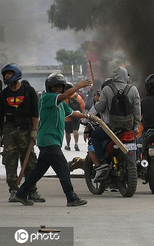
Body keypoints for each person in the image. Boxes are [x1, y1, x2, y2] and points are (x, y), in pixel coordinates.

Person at [12, 73, 93, 206]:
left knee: (38, 171)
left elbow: (72, 114)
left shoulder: (61, 103)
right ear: (49, 88)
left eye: (60, 86)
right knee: (63, 168)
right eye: (55, 87)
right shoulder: (47, 98)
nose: (58, 89)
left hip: (52, 141)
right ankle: (71, 197)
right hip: (48, 140)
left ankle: (21, 194)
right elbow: (64, 96)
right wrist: (79, 86)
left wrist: (88, 116)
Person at [0, 63, 45, 203]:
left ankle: (32, 191)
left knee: (30, 161)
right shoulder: (3, 94)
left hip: (26, 131)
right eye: (5, 74)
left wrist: (35, 130)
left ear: (16, 74)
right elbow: (0, 116)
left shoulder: (28, 91)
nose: (7, 76)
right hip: (9, 130)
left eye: (9, 73)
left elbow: (35, 112)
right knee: (9, 160)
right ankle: (13, 190)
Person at [91, 66, 141, 180]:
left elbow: (100, 107)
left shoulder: (107, 89)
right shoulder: (133, 89)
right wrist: (136, 126)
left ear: (115, 76)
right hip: (129, 126)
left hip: (112, 128)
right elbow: (137, 111)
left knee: (94, 136)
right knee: (135, 140)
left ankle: (102, 161)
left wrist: (96, 102)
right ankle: (138, 158)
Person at [63, 82, 85, 151]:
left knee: (67, 132)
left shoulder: (64, 97)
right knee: (75, 130)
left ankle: (68, 145)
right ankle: (76, 143)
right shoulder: (77, 96)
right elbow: (82, 105)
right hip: (76, 115)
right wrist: (80, 114)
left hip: (67, 117)